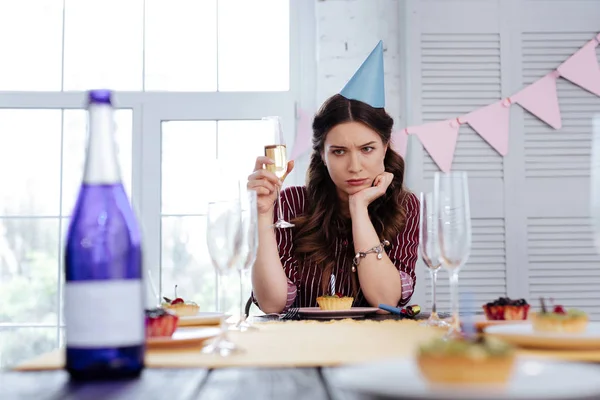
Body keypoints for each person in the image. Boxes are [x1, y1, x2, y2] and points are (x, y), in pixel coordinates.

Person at [248, 41, 419, 314]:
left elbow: (386, 300)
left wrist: (359, 208)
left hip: (375, 350)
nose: (354, 166)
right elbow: (272, 303)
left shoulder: (404, 207)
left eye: (367, 149)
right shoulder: (291, 203)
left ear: (385, 148)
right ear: (322, 155)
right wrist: (262, 215)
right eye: (339, 151)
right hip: (302, 350)